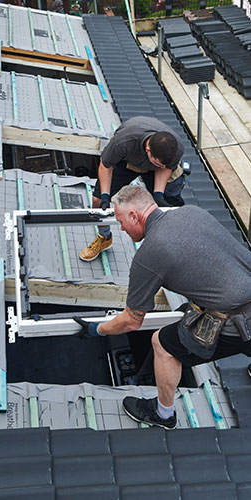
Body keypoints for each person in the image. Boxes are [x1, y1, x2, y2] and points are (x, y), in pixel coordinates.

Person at [74, 185, 251, 429]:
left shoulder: (149, 254)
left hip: (240, 322)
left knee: (163, 344)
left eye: (121, 221)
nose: (122, 228)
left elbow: (132, 321)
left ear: (135, 216)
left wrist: (98, 329)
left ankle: (163, 414)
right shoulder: (191, 212)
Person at [79, 116, 186, 262]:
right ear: (148, 149)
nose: (161, 165)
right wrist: (105, 196)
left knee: (169, 205)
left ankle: (169, 244)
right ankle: (104, 237)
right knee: (97, 200)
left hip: (154, 169)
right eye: (158, 162)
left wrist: (159, 195)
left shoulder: (176, 149)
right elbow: (106, 166)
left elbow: (165, 168)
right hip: (128, 161)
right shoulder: (124, 142)